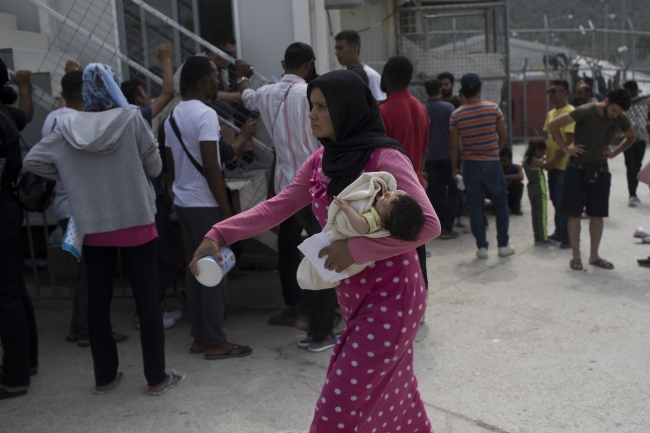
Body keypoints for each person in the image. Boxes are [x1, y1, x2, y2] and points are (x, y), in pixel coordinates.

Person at [188, 69, 441, 433]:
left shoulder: (384, 158)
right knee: (393, 394)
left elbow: (429, 224)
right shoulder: (320, 163)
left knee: (336, 409)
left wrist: (355, 249)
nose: (312, 115)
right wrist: (219, 234)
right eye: (311, 106)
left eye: (322, 107)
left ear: (347, 109)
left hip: (393, 297)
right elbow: (275, 207)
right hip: (355, 299)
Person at [24, 63, 183, 395]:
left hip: (93, 227)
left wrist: (73, 173)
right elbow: (154, 168)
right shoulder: (131, 120)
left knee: (97, 303)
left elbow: (33, 162)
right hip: (137, 222)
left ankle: (105, 377)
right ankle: (156, 378)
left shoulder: (67, 125)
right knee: (147, 303)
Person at [236, 42, 338, 352]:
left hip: (286, 189)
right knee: (325, 254)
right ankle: (319, 327)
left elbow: (246, 96)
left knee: (294, 250)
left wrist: (242, 76)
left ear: (284, 63)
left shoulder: (265, 93)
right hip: (317, 186)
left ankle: (301, 312)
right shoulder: (313, 95)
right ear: (308, 64)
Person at [164, 56, 252, 360]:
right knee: (214, 273)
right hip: (205, 204)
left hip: (183, 202)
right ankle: (215, 341)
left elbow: (171, 165)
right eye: (216, 77)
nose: (218, 82)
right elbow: (213, 165)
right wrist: (226, 210)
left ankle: (200, 337)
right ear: (203, 79)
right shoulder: (205, 115)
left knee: (194, 271)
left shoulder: (172, 117)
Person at [41, 70, 129, 346]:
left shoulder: (53, 119)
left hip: (64, 206)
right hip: (82, 208)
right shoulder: (79, 122)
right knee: (92, 273)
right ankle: (89, 331)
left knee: (85, 271)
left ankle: (77, 328)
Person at [122, 45, 182, 330]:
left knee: (145, 259)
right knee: (165, 260)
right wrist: (165, 61)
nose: (150, 98)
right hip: (149, 199)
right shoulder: (137, 117)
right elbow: (169, 93)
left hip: (132, 199)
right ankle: (145, 312)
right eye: (146, 94)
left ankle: (147, 309)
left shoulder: (115, 121)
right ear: (137, 98)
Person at [549, 89, 636, 271]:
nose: (614, 115)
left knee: (597, 214)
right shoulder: (586, 111)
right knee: (574, 214)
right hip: (576, 168)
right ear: (606, 101)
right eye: (613, 111)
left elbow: (631, 137)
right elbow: (554, 124)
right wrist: (566, 148)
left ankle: (594, 255)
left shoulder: (620, 117)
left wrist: (614, 152)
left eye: (618, 113)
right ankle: (576, 256)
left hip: (600, 170)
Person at [0, 62, 37, 400]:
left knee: (6, 297)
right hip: (8, 210)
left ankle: (14, 377)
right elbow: (25, 110)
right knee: (14, 292)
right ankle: (27, 362)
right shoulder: (7, 114)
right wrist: (24, 87)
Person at [450, 73, 515, 259]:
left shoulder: (456, 115)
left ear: (461, 90)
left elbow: (454, 146)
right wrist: (494, 151)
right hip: (492, 163)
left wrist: (454, 168)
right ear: (480, 89)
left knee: (475, 207)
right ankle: (503, 246)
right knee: (501, 204)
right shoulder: (493, 109)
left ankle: (482, 248)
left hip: (470, 165)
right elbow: (503, 136)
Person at [378, 56, 429, 187]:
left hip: (393, 188)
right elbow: (424, 150)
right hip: (417, 183)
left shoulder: (383, 111)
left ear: (386, 77)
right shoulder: (421, 108)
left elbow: (379, 155)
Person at [423, 78, 459, 239]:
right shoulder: (448, 107)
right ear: (439, 90)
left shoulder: (423, 109)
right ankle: (448, 225)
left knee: (434, 192)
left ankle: (438, 226)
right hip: (448, 155)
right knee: (453, 189)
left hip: (429, 157)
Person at [542, 79, 574, 249]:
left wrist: (554, 160)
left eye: (554, 91)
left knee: (563, 202)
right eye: (549, 91)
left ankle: (568, 237)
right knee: (555, 200)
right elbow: (547, 138)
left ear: (564, 93)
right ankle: (559, 232)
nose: (551, 94)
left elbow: (569, 142)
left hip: (563, 167)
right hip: (552, 166)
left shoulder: (570, 113)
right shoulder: (551, 114)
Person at [120, 44, 175, 124]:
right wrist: (165, 60)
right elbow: (168, 93)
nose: (149, 95)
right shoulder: (139, 116)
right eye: (144, 92)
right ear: (139, 99)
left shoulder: (123, 119)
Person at [334, 30, 386, 101]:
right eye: (336, 49)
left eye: (340, 48)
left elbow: (379, 105)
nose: (336, 53)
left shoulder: (372, 77)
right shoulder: (340, 75)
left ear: (355, 48)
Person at [622, 80, 650, 206]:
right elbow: (630, 102)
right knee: (630, 166)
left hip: (642, 138)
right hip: (628, 140)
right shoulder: (625, 102)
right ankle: (632, 194)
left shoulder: (646, 102)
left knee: (637, 167)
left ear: (633, 90)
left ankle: (634, 192)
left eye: (628, 90)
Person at [522, 139, 553, 245]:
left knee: (535, 214)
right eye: (542, 151)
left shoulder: (527, 159)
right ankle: (544, 238)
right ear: (538, 150)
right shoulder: (535, 160)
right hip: (540, 190)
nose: (543, 154)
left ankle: (537, 237)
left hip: (531, 190)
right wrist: (558, 154)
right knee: (542, 215)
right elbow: (548, 166)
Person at [499, 147, 524, 215]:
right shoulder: (497, 169)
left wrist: (505, 177)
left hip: (511, 194)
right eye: (501, 161)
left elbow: (521, 176)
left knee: (519, 184)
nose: (503, 163)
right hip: (500, 194)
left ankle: (516, 208)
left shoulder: (516, 167)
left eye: (505, 161)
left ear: (510, 160)